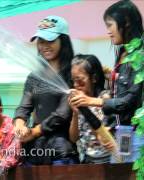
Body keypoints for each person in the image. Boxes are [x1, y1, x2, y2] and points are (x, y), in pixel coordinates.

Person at [69, 0, 144, 162]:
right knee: (121, 171)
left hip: (138, 134)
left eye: (110, 25)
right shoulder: (123, 51)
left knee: (129, 173)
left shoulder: (140, 54)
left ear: (126, 22)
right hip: (124, 132)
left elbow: (129, 101)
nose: (108, 31)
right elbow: (121, 95)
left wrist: (93, 101)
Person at [13, 15, 77, 165]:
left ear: (64, 40)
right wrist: (20, 124)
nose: (44, 46)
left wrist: (34, 132)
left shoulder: (73, 73)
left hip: (61, 151)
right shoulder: (34, 77)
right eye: (41, 41)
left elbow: (62, 114)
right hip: (35, 150)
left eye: (50, 40)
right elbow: (24, 106)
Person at [68, 54, 113, 164]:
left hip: (108, 161)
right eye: (73, 80)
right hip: (87, 161)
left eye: (80, 80)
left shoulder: (104, 98)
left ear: (94, 78)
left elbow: (101, 134)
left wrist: (86, 107)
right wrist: (75, 113)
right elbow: (73, 138)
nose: (75, 85)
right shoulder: (79, 103)